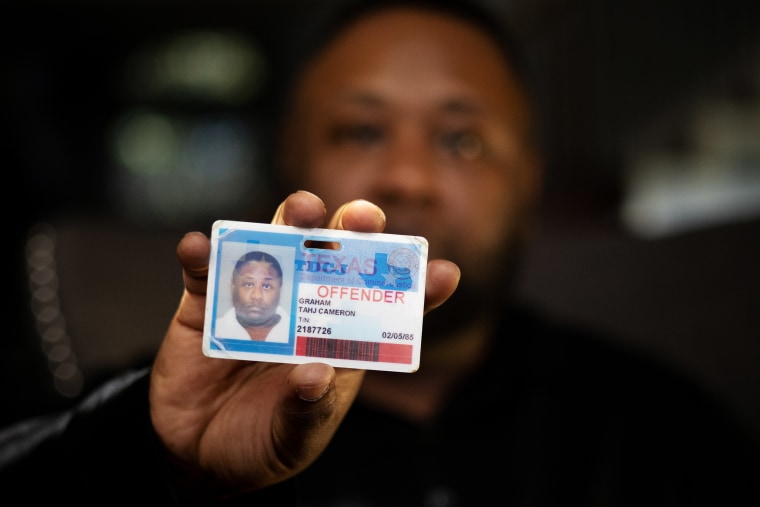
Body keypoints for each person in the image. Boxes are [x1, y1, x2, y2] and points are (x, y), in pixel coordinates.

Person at [1, 0, 758, 504]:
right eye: (360, 130)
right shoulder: (149, 419)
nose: (406, 175)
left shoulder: (654, 421)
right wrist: (149, 455)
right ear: (288, 161)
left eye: (461, 138)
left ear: (526, 186)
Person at [214, 250, 289, 343]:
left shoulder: (294, 332)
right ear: (233, 285)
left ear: (280, 290)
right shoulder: (214, 331)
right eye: (248, 284)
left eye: (266, 286)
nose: (257, 296)